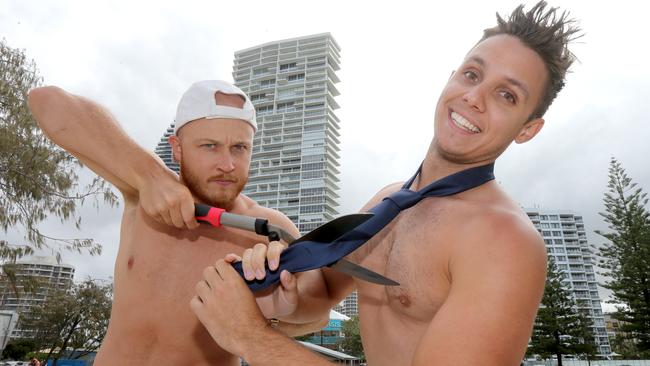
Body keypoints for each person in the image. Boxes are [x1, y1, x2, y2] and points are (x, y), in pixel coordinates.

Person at [190, 2, 582, 365]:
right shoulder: (390, 200)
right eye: (472, 74)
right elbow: (323, 292)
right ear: (450, 79)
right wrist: (281, 297)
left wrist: (250, 337)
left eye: (506, 95)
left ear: (528, 129)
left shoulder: (505, 241)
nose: (474, 97)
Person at [28, 80, 324, 366]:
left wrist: (278, 307)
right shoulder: (142, 191)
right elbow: (46, 101)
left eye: (239, 148)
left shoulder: (268, 227)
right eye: (210, 146)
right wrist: (149, 175)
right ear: (177, 148)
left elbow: (318, 313)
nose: (227, 164)